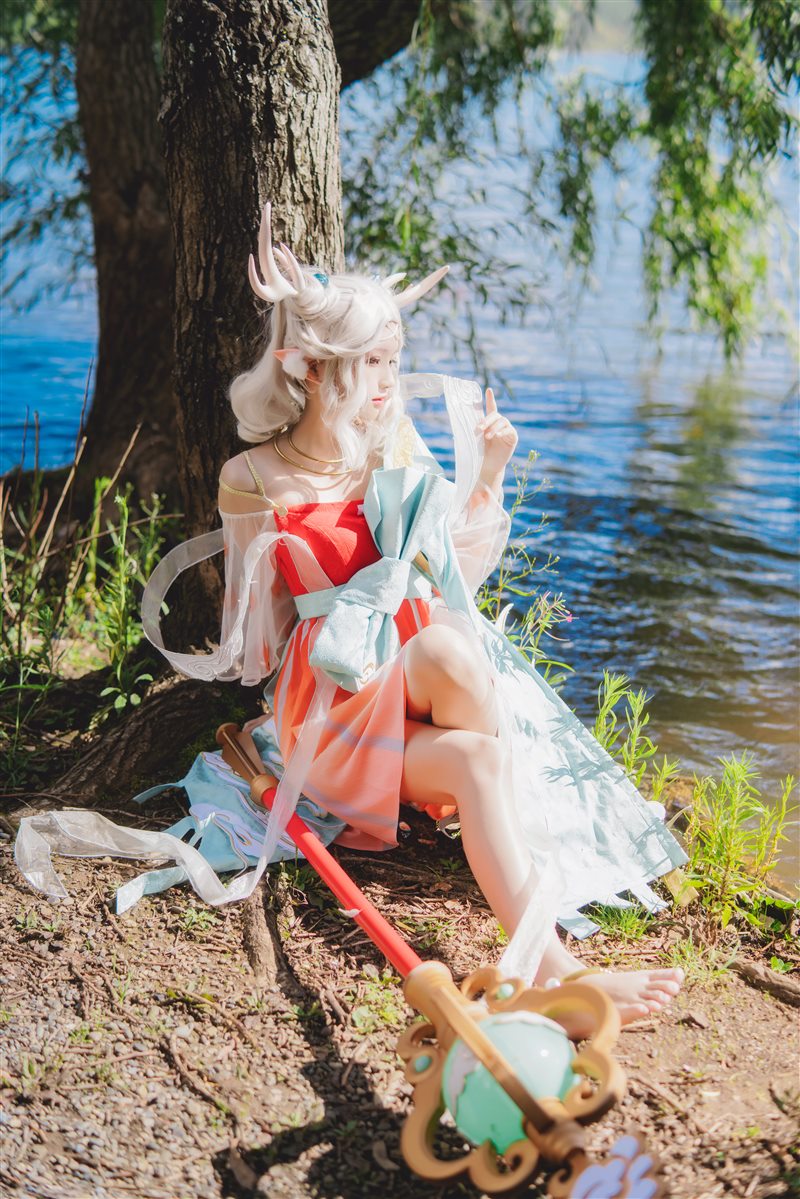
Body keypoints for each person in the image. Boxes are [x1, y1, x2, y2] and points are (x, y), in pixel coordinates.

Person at [16, 203, 685, 1026]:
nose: (389, 381)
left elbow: (455, 577)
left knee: (460, 683)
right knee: (459, 697)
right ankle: (558, 970)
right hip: (330, 693)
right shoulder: (252, 477)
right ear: (308, 369)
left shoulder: (390, 447)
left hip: (416, 668)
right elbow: (259, 638)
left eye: (394, 360)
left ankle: (523, 928)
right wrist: (317, 625)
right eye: (373, 362)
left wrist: (487, 476)